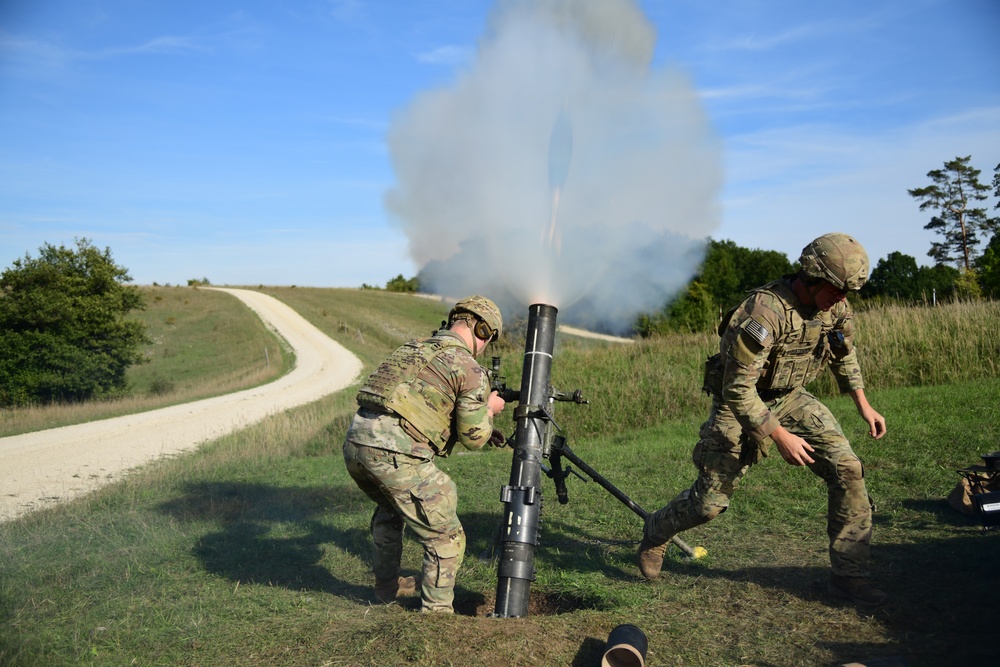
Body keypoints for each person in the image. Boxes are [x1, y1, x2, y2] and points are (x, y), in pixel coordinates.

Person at [638, 233, 889, 607]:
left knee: (848, 469)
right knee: (709, 505)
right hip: (738, 404)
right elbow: (738, 389)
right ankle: (657, 530)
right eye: (836, 289)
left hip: (791, 398)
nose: (841, 298)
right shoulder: (764, 312)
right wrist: (779, 436)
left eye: (846, 292)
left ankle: (848, 577)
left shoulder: (835, 307)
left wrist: (863, 405)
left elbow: (843, 354)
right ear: (812, 277)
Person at [343, 295, 507, 613]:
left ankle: (386, 590)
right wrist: (490, 408)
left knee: (391, 513)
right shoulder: (468, 367)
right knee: (446, 536)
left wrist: (484, 426)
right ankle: (436, 616)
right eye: (490, 339)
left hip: (357, 445)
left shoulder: (414, 347)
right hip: (394, 454)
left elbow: (420, 404)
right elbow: (473, 438)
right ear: (484, 330)